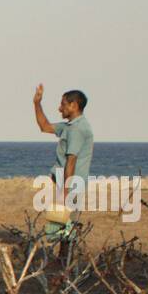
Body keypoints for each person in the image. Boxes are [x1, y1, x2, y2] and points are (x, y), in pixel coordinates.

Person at [32, 85, 93, 258]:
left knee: (64, 223)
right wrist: (37, 103)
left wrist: (66, 190)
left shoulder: (77, 129)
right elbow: (44, 126)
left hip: (71, 183)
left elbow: (71, 161)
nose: (60, 108)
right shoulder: (70, 126)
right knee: (60, 223)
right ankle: (62, 259)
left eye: (63, 104)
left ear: (74, 105)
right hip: (66, 182)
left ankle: (64, 262)